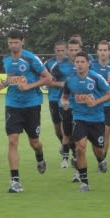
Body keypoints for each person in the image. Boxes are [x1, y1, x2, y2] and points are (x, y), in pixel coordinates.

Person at [0, 29, 52, 193]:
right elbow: (12, 77)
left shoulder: (30, 58)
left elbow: (48, 78)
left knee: (34, 142)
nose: (13, 45)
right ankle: (15, 181)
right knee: (13, 141)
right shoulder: (6, 59)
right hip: (12, 104)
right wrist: (5, 83)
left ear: (22, 42)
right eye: (10, 42)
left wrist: (28, 86)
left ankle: (40, 155)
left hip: (31, 104)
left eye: (16, 42)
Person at [60, 51, 110, 192]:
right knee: (80, 147)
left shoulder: (96, 78)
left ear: (88, 64)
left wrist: (96, 101)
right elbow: (64, 97)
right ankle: (84, 183)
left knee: (98, 150)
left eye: (82, 62)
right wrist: (64, 103)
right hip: (79, 118)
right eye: (77, 62)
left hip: (96, 119)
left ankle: (101, 160)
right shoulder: (70, 80)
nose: (79, 64)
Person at [45, 40, 73, 168]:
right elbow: (45, 81)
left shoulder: (72, 63)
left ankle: (68, 150)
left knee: (66, 129)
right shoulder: (50, 63)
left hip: (65, 101)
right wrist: (61, 84)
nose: (61, 53)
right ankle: (65, 145)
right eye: (58, 50)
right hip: (52, 98)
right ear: (55, 50)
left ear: (66, 50)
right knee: (57, 130)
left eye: (63, 50)